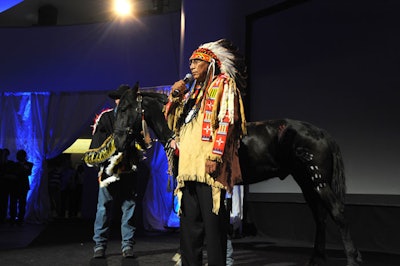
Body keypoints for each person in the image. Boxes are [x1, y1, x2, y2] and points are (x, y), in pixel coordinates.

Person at [165, 39, 247, 266]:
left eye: (196, 61)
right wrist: (175, 96)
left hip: (209, 169)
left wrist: (216, 155)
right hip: (188, 170)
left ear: (209, 63)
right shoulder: (192, 93)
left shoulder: (223, 83)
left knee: (214, 231)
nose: (191, 66)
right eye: (190, 62)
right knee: (190, 232)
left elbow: (227, 120)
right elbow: (174, 124)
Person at [89, 84, 137, 259]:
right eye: (119, 98)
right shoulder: (107, 118)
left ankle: (127, 246)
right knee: (104, 208)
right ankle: (99, 245)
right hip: (109, 170)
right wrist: (102, 166)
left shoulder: (136, 118)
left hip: (128, 170)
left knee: (129, 207)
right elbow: (97, 144)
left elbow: (141, 144)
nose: (121, 101)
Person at [9, 149, 33, 225]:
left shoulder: (29, 164)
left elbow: (28, 173)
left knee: (22, 203)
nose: (18, 157)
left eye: (20, 156)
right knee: (13, 203)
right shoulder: (14, 164)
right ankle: (13, 218)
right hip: (15, 186)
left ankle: (20, 219)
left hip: (22, 186)